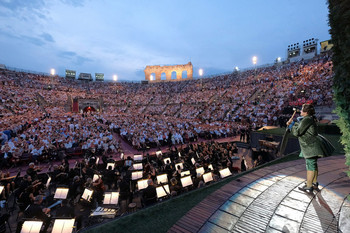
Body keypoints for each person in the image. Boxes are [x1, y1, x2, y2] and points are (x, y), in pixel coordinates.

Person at [287, 104, 333, 192]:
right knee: (313, 164)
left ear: (306, 112)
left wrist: (291, 126)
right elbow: (301, 126)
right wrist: (293, 123)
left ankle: (309, 185)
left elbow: (297, 132)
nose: (300, 111)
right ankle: (314, 183)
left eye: (301, 110)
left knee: (310, 165)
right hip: (312, 145)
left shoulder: (307, 119)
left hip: (311, 146)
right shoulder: (309, 118)